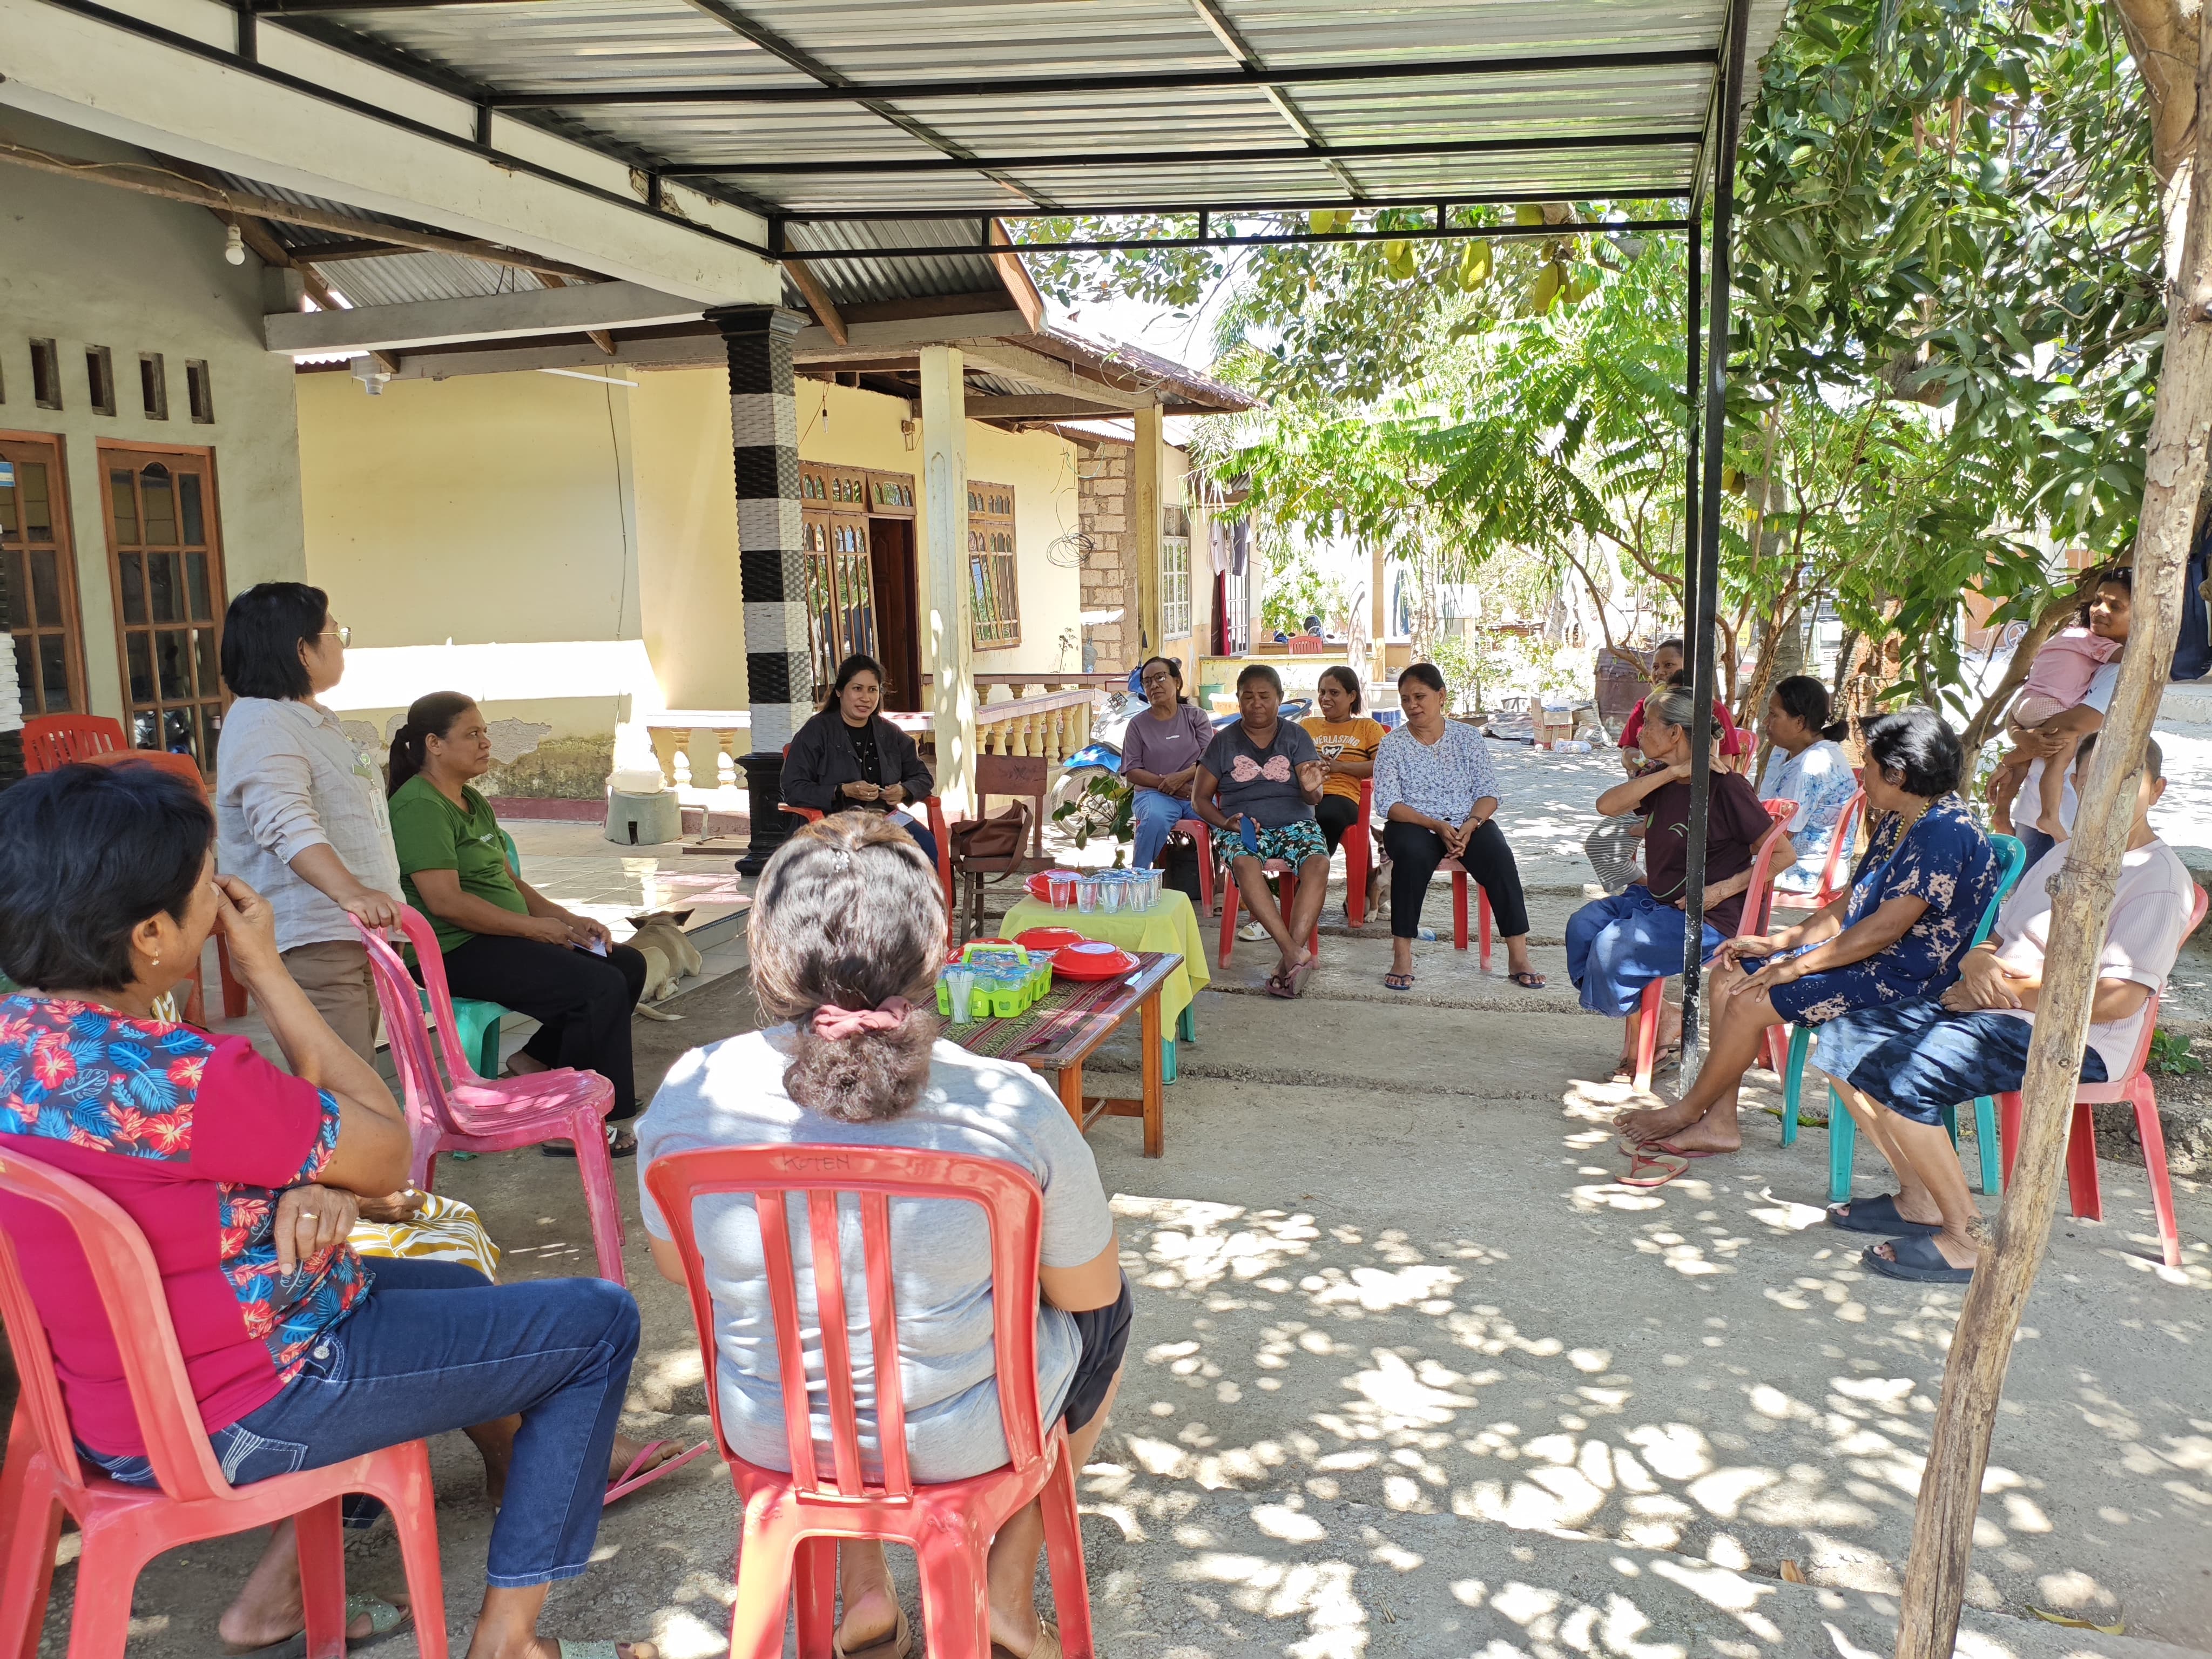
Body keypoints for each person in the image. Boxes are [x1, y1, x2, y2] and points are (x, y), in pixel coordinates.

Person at [0, 763, 662, 1659]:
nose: (221, 902)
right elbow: (385, 1147)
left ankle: (314, 1578)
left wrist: (309, 1182)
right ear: (152, 934)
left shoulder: (19, 1042)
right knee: (600, 1323)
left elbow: (176, 1179)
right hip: (247, 1406)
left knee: (453, 1279)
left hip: (105, 1409)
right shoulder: (187, 1078)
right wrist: (266, 969)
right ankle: (511, 1638)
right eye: (207, 888)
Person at [637, 813, 1129, 1659]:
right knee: (1110, 1316)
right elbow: (1088, 1291)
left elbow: (681, 1268)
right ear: (933, 951)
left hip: (772, 1430)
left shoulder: (693, 1090)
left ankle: (863, 1596)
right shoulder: (1012, 1103)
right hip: (961, 1439)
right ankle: (1006, 1587)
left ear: (768, 949)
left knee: (822, 1322)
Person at [1813, 734, 2193, 1281]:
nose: (2106, 796)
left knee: (1903, 1075)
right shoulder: (2066, 853)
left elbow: (2119, 999)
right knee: (1844, 1039)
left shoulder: (2156, 880)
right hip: (1995, 1008)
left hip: (2075, 1035)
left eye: (2125, 784)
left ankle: (1968, 1238)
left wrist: (2002, 993)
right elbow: (1997, 934)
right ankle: (1920, 1198)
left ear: (2156, 791)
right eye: (2092, 782)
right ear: (2075, 786)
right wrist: (1977, 962)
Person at [1616, 707, 2000, 1158]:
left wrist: (1795, 967)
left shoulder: (1944, 830)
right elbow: (1848, 905)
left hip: (1909, 978)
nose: (1863, 778)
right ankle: (1719, 1123)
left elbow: (1885, 928)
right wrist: (1779, 943)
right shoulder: (1904, 818)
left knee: (1749, 999)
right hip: (1873, 959)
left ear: (1898, 775)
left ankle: (1688, 1111)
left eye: (1869, 766)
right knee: (1730, 972)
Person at [386, 692, 650, 1156]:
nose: (485, 743)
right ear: (434, 744)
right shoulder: (419, 807)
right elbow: (445, 903)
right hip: (454, 950)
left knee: (624, 964)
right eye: (472, 734)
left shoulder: (470, 799)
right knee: (596, 987)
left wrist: (568, 919)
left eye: (484, 732)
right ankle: (574, 1122)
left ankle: (535, 1061)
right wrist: (532, 930)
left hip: (495, 936)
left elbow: (511, 883)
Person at [214, 582, 404, 1063]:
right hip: (312, 939)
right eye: (336, 633)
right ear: (302, 650)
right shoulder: (263, 724)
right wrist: (352, 893)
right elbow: (286, 823)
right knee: (346, 1087)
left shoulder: (306, 718)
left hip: (349, 932)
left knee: (357, 1074)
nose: (342, 645)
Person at [1566, 688, 1786, 1080]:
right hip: (1658, 902)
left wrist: (1721, 890)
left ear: (1675, 733)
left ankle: (1647, 1041)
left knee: (1613, 946)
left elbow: (1783, 854)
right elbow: (1606, 806)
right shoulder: (1662, 779)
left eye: (1648, 724)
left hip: (1709, 917)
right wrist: (1670, 773)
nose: (1639, 733)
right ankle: (1665, 1018)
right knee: (1583, 926)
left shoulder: (1726, 787)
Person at [1371, 663, 1545, 992]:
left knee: (1498, 855)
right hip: (1414, 824)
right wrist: (1435, 825)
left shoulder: (1468, 738)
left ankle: (1518, 956)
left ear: (1441, 696)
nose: (1412, 705)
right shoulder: (1392, 744)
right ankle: (1402, 956)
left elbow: (1488, 793)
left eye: (1420, 697)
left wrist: (1471, 825)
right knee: (1410, 855)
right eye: (1406, 699)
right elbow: (1389, 804)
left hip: (1467, 823)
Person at [1191, 664, 1331, 997]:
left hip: (1297, 823)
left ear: (1279, 699)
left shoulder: (1296, 737)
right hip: (1243, 825)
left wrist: (1312, 789)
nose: (1256, 703)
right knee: (1243, 861)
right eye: (1248, 696)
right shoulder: (1223, 742)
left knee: (1319, 863)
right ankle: (1293, 952)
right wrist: (1226, 823)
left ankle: (1287, 962)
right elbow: (1199, 800)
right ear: (1238, 699)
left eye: (1265, 696)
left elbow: (1313, 797)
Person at [1993, 570, 2133, 867]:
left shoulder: (2123, 672)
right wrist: (2020, 738)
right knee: (2025, 893)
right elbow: (2033, 715)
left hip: (2074, 813)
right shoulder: (2089, 647)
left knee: (2043, 893)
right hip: (2040, 807)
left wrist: (2014, 753)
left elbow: (2073, 724)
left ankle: (2006, 812)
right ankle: (2019, 813)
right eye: (2098, 601)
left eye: (2115, 606)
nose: (2100, 610)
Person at [782, 653, 940, 866]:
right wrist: (842, 790)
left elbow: (922, 777)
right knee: (867, 856)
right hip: (833, 821)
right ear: (839, 691)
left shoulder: (890, 733)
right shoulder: (816, 731)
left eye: (872, 690)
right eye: (858, 689)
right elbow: (794, 788)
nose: (866, 698)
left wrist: (904, 790)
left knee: (925, 843)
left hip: (884, 818)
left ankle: (923, 890)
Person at [1755, 675, 1859, 897]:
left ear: (1800, 722)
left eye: (1773, 715)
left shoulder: (1814, 763)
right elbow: (1763, 808)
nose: (1765, 722)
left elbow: (1781, 836)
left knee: (1716, 869)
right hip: (1782, 855)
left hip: (1808, 868)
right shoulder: (1782, 750)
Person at [1300, 665, 1387, 918]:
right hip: (1307, 795)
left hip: (1345, 797)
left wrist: (1340, 767)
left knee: (1326, 815)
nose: (1325, 698)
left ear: (1352, 696)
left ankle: (1304, 888)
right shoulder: (1307, 725)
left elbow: (1382, 764)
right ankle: (1297, 885)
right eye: (1322, 692)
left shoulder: (1366, 727)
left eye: (1334, 693)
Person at [1120, 655, 1217, 872]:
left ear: (1177, 682)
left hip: (1195, 792)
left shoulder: (1196, 716)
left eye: (1160, 678)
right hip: (1154, 794)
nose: (1154, 685)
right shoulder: (1137, 725)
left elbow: (1210, 758)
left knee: (1225, 821)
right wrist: (1168, 785)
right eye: (1147, 682)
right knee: (1154, 818)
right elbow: (1132, 771)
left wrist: (1181, 778)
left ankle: (1229, 880)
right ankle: (1139, 877)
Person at [1617, 642, 1738, 774]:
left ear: (1690, 667)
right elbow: (1627, 756)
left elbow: (1725, 764)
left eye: (1668, 665)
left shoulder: (1712, 709)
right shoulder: (1645, 706)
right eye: (1655, 667)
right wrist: (1650, 763)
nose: (1659, 672)